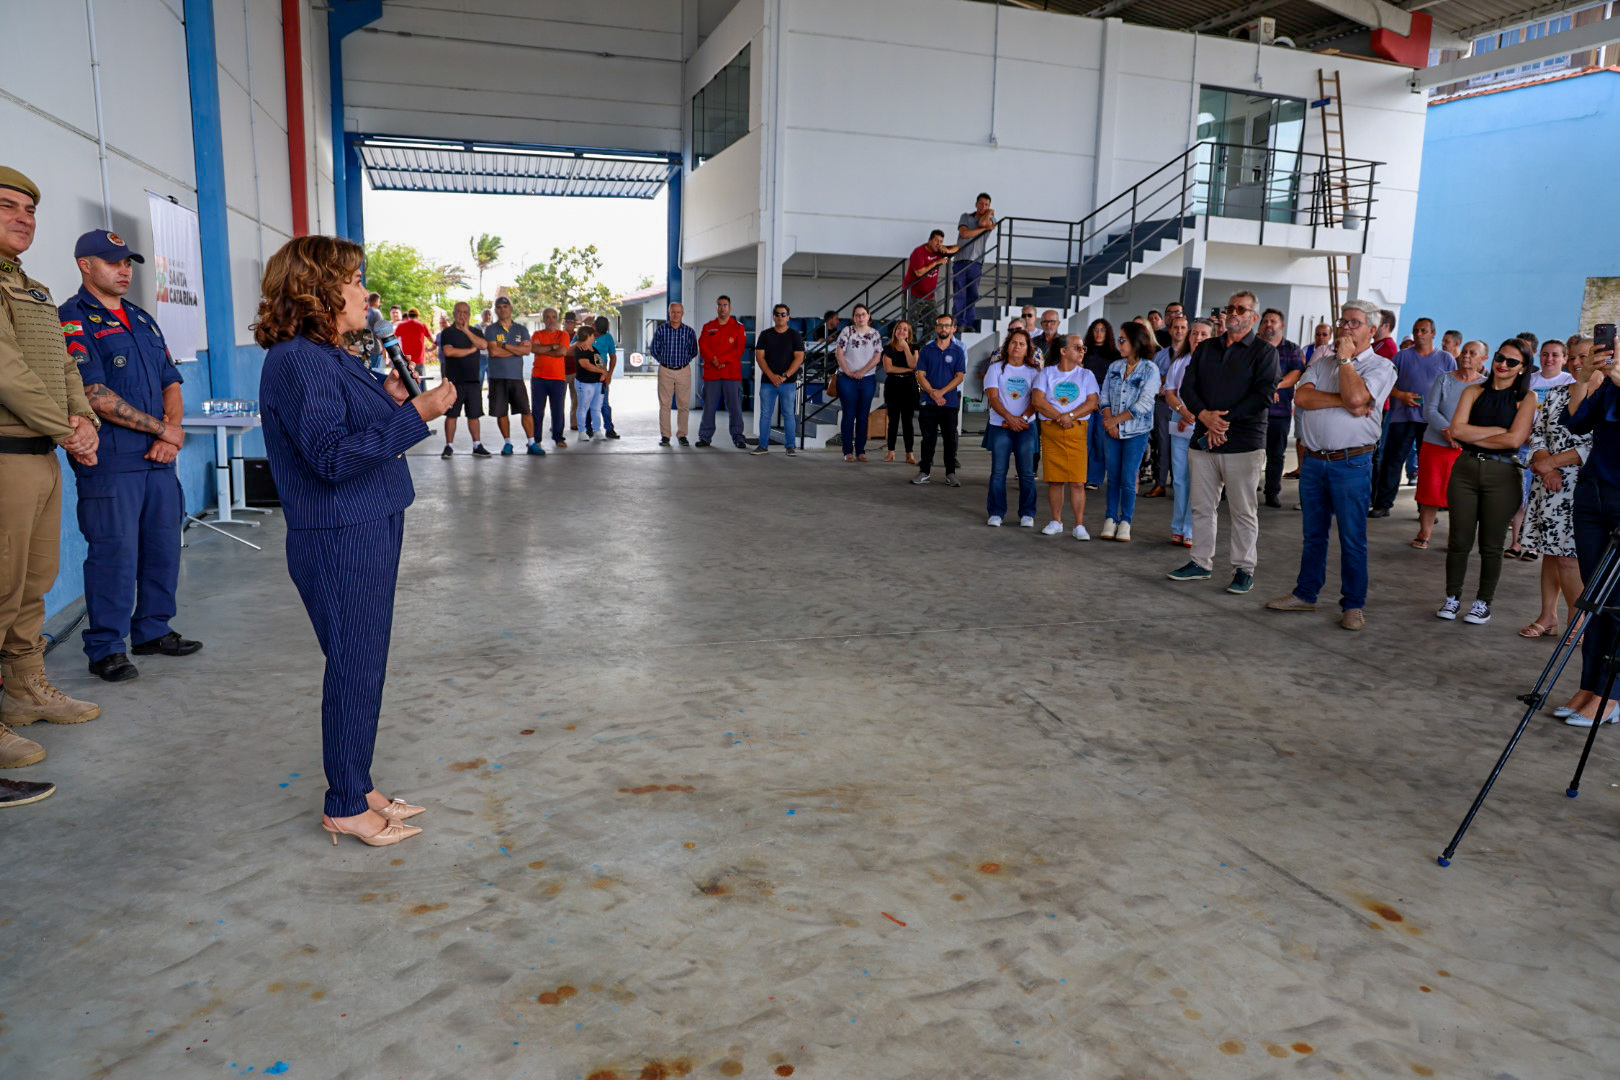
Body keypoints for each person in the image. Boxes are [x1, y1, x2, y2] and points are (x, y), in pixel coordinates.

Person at [256, 234, 457, 846]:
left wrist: (393, 400)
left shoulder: (331, 355)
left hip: (366, 521)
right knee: (354, 664)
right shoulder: (298, 361)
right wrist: (414, 416)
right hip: (342, 533)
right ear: (317, 289)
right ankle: (344, 802)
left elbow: (348, 426)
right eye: (351, 280)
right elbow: (331, 457)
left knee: (363, 661)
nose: (362, 292)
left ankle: (357, 781)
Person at [58, 229, 201, 683]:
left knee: (163, 548)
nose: (124, 270)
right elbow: (93, 393)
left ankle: (152, 630)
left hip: (158, 458)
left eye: (128, 263)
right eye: (112, 262)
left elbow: (170, 381)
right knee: (114, 555)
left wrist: (171, 434)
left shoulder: (142, 320)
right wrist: (164, 430)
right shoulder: (73, 320)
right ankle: (106, 647)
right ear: (85, 264)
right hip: (112, 462)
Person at [0, 168, 100, 806]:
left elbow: (61, 362)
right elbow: (5, 371)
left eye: (30, 210)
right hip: (6, 453)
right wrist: (65, 427)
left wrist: (82, 420)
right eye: (8, 206)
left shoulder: (30, 288)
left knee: (32, 585)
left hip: (40, 454)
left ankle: (27, 689)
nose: (24, 218)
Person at [1264, 300, 1397, 631]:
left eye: (1355, 323)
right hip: (1314, 461)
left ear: (1371, 330)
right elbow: (1303, 398)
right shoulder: (1322, 363)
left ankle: (1353, 604)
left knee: (1352, 536)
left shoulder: (1381, 367)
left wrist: (1347, 363)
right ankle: (1306, 594)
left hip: (1351, 463)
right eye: (1343, 321)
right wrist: (1348, 400)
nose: (1346, 327)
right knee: (1313, 534)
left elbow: (1357, 399)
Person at [1167, 291, 1279, 594]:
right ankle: (1200, 563)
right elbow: (1187, 387)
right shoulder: (1205, 349)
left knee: (1243, 511)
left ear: (1253, 317)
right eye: (1230, 307)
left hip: (1243, 442)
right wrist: (1205, 416)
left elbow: (1263, 395)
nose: (1233, 312)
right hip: (1204, 438)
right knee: (1202, 507)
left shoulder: (1264, 352)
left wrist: (1223, 422)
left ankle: (1244, 568)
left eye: (1241, 309)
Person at [1436, 339, 1540, 626]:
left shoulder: (1527, 398)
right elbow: (1456, 430)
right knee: (1458, 540)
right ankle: (1452, 597)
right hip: (1466, 469)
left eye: (1511, 362)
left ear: (1523, 368)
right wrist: (1497, 430)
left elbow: (1516, 440)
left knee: (1492, 545)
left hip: (1503, 474)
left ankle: (1483, 603)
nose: (1503, 365)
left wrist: (1475, 433)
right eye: (1500, 357)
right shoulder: (1473, 391)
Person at [1557, 334, 1620, 726]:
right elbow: (1578, 423)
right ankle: (1589, 686)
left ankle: (1611, 695)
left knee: (1617, 600)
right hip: (1593, 495)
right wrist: (1583, 375)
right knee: (1593, 596)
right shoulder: (1610, 384)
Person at [1519, 338, 1595, 639]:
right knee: (1550, 553)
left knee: (1569, 558)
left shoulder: (1605, 395)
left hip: (1581, 485)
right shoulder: (1557, 392)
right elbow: (1537, 432)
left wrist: (1551, 464)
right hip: (1548, 484)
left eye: (1584, 357)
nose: (1577, 363)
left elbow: (1593, 445)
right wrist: (1541, 460)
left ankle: (1577, 621)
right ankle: (1548, 615)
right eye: (1574, 357)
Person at [1371, 318, 1454, 518]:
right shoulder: (1401, 357)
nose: (1419, 334)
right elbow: (1385, 383)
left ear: (1433, 334)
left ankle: (1425, 509)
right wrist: (1401, 395)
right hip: (1403, 417)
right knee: (1392, 461)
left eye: (1424, 330)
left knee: (1428, 466)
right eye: (1416, 330)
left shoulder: (1446, 359)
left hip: (1432, 422)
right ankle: (1383, 504)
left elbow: (1452, 390)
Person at [1412, 339, 1487, 549]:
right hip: (1436, 444)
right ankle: (1424, 533)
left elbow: (1483, 417)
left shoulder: (1485, 386)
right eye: (1464, 351)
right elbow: (1430, 409)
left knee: (1462, 496)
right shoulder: (1444, 379)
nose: (1466, 356)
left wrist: (1462, 437)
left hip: (1466, 448)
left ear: (1483, 359)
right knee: (1430, 491)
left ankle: (1457, 539)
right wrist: (1448, 432)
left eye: (1473, 353)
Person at [1098, 321, 1161, 541]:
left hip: (1136, 431)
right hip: (1111, 430)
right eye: (1119, 340)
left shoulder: (1150, 369)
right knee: (1113, 476)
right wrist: (1109, 421)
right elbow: (1104, 395)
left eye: (1123, 340)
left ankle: (1126, 521)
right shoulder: (1115, 366)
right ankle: (1110, 518)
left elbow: (1145, 403)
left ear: (1136, 342)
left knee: (1128, 477)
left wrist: (1115, 421)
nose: (1120, 344)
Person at [1033, 334, 1100, 539]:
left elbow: (1092, 402)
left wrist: (1069, 416)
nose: (1082, 351)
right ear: (1063, 351)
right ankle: (1056, 520)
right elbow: (1038, 400)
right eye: (1077, 347)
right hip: (1052, 429)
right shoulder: (1046, 373)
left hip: (1076, 428)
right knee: (1055, 480)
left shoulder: (1086, 375)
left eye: (1083, 348)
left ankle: (1079, 524)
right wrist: (1060, 417)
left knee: (1078, 481)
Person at [982, 328, 1040, 527]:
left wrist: (1022, 418)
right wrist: (1010, 418)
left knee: (1026, 472)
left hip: (1026, 426)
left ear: (1027, 349)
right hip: (1000, 426)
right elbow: (993, 397)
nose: (1017, 346)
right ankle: (996, 512)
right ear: (1007, 346)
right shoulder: (996, 368)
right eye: (1013, 342)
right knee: (998, 471)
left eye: (1021, 344)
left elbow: (1036, 399)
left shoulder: (1033, 371)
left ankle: (1027, 513)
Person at [1163, 318, 1212, 547]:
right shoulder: (1180, 361)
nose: (1198, 338)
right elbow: (1170, 393)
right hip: (1180, 421)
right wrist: (1182, 411)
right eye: (1195, 333)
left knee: (1199, 480)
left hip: (1204, 424)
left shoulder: (1217, 363)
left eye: (1204, 334)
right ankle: (1178, 526)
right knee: (1181, 479)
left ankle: (1192, 528)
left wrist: (1196, 415)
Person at [1258, 308, 1306, 509]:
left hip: (1280, 411)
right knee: (1250, 453)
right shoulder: (1254, 347)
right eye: (1266, 321)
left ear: (1282, 325)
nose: (1269, 324)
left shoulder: (1292, 349)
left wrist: (1273, 387)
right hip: (1254, 410)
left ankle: (1271, 492)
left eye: (1273, 321)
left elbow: (1296, 373)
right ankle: (1245, 489)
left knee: (1276, 455)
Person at [912, 313, 966, 487]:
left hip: (949, 402)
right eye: (940, 325)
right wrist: (933, 393)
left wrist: (941, 392)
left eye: (947, 325)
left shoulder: (958, 351)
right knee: (928, 438)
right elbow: (920, 375)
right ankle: (924, 471)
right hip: (928, 402)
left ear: (953, 328)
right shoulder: (927, 350)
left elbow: (959, 377)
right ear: (936, 328)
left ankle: (950, 473)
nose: (943, 329)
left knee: (950, 439)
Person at [484, 297, 543, 456]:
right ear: (496, 310)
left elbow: (526, 351)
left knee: (526, 411)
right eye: (499, 307)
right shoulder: (491, 330)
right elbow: (493, 352)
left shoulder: (521, 329)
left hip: (516, 378)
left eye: (505, 306)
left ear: (511, 309)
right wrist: (515, 349)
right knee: (501, 413)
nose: (502, 309)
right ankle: (508, 443)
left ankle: (532, 443)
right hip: (497, 378)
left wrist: (503, 345)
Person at [437, 301, 489, 458]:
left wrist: (466, 330)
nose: (462, 315)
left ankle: (477, 445)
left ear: (469, 314)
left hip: (473, 381)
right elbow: (449, 352)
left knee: (474, 415)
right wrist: (470, 350)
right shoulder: (447, 333)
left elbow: (483, 345)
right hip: (454, 382)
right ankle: (449, 446)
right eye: (459, 311)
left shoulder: (475, 331)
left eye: (465, 312)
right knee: (452, 415)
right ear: (454, 313)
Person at [752, 302, 803, 456]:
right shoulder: (765, 335)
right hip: (768, 382)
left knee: (788, 414)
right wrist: (772, 376)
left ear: (788, 317)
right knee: (766, 414)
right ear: (773, 317)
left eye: (783, 314)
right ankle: (763, 446)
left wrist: (784, 376)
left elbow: (799, 357)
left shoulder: (795, 335)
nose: (780, 317)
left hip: (788, 383)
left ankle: (790, 446)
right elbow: (759, 357)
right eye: (777, 314)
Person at [697, 295, 747, 449]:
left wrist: (722, 360)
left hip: (731, 374)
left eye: (725, 305)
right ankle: (705, 437)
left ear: (730, 308)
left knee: (735, 408)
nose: (722, 308)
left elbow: (739, 349)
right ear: (716, 307)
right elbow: (703, 345)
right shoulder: (708, 326)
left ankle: (738, 437)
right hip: (712, 374)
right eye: (719, 305)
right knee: (709, 408)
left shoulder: (739, 327)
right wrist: (713, 360)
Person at [836, 303, 884, 462]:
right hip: (846, 378)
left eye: (863, 314)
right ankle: (847, 451)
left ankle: (861, 450)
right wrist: (848, 371)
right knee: (849, 414)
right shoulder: (847, 331)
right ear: (853, 318)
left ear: (869, 316)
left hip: (867, 378)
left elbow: (877, 356)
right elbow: (839, 353)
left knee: (863, 415)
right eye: (857, 315)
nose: (860, 317)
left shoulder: (875, 334)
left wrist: (862, 372)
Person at [649, 301, 698, 446]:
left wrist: (683, 362)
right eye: (673, 312)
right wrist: (664, 362)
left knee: (683, 405)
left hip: (684, 370)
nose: (675, 315)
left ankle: (682, 435)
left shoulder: (689, 332)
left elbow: (694, 351)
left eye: (678, 312)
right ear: (669, 313)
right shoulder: (661, 330)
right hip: (665, 371)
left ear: (682, 314)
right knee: (665, 405)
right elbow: (654, 349)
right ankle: (665, 436)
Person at [1082, 318, 1119, 490]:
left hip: (1104, 399)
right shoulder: (1083, 351)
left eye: (1102, 330)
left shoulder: (1114, 354)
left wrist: (1102, 399)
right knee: (1083, 438)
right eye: (1095, 329)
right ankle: (1080, 474)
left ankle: (1094, 478)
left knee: (1098, 438)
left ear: (1108, 333)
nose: (1098, 333)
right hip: (1083, 397)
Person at [529, 307, 571, 448]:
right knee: (537, 410)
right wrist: (553, 346)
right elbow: (533, 349)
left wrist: (544, 349)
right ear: (543, 319)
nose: (550, 320)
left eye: (553, 317)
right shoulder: (537, 334)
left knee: (558, 409)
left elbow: (562, 352)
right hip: (539, 377)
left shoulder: (563, 334)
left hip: (558, 378)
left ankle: (558, 437)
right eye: (547, 317)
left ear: (557, 319)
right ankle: (536, 439)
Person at [954, 193, 995, 331]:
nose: (983, 207)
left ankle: (969, 323)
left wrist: (989, 213)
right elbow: (965, 234)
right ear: (976, 204)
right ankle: (959, 323)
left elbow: (983, 222)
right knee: (960, 293)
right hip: (960, 259)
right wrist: (984, 230)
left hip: (976, 262)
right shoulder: (965, 216)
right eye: (981, 203)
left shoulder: (991, 218)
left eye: (987, 205)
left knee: (973, 293)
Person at [882, 320, 920, 464]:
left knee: (907, 421)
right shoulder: (888, 348)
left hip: (909, 386)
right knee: (893, 420)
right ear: (895, 331)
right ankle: (891, 451)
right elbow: (889, 369)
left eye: (905, 329)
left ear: (909, 333)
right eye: (899, 329)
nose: (902, 331)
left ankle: (909, 453)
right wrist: (908, 370)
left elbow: (914, 365)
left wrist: (905, 348)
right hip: (893, 385)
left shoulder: (914, 347)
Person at [904, 230, 956, 330]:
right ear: (929, 240)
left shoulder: (940, 250)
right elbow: (919, 273)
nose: (938, 244)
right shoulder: (918, 252)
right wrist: (936, 263)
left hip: (929, 296)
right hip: (913, 294)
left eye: (941, 241)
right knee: (910, 325)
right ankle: (912, 346)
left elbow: (958, 247)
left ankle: (924, 345)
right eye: (936, 240)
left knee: (934, 324)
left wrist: (948, 250)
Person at [572, 324, 607, 439]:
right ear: (587, 335)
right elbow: (585, 365)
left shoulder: (594, 349)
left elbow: (600, 363)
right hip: (585, 382)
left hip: (597, 383)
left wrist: (603, 373)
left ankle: (597, 430)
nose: (594, 337)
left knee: (596, 408)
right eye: (593, 335)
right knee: (583, 407)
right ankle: (582, 432)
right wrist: (601, 371)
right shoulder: (581, 349)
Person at [592, 315, 621, 439]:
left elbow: (613, 357)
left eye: (601, 332)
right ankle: (588, 429)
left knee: (604, 404)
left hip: (602, 376)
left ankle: (609, 429)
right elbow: (573, 347)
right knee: (587, 404)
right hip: (586, 375)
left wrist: (609, 374)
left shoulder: (608, 337)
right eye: (597, 331)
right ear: (594, 326)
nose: (598, 334)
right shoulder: (587, 335)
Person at [395, 307, 432, 380]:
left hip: (406, 360)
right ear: (417, 316)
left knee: (408, 384)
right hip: (419, 360)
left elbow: (393, 339)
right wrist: (430, 348)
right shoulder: (422, 325)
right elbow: (432, 340)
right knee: (421, 383)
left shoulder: (401, 326)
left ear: (408, 316)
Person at [563, 309, 580, 430]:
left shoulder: (579, 336)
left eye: (571, 322)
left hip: (576, 371)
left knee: (576, 400)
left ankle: (574, 423)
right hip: (560, 372)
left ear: (575, 323)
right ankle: (557, 424)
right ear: (564, 322)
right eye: (567, 322)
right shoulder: (559, 334)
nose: (569, 324)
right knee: (558, 401)